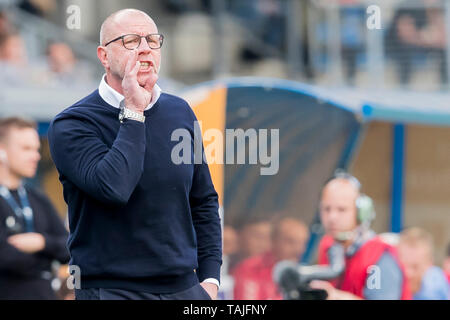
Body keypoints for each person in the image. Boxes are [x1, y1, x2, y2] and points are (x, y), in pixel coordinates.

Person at [47, 9, 222, 300]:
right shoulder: (72, 123)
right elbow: (114, 188)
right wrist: (133, 111)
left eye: (153, 40)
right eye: (131, 40)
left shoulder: (179, 112)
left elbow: (203, 200)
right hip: (112, 289)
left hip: (184, 289)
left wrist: (210, 279)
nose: (145, 49)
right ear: (104, 56)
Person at [310, 172, 411, 300]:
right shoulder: (329, 247)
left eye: (342, 209)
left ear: (361, 213)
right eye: (326, 209)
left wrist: (336, 297)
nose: (332, 217)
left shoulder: (380, 257)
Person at [0, 117, 70, 299]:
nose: (36, 156)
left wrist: (41, 242)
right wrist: (47, 259)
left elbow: (69, 248)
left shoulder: (38, 198)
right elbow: (6, 258)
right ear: (2, 151)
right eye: (26, 149)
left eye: (36, 149)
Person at [232, 217, 309, 300]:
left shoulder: (303, 274)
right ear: (274, 241)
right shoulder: (250, 268)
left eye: (302, 243)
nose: (299, 250)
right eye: (291, 242)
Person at [397, 227, 449, 300]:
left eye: (415, 267)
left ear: (429, 264)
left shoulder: (434, 289)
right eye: (403, 266)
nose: (408, 273)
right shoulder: (393, 281)